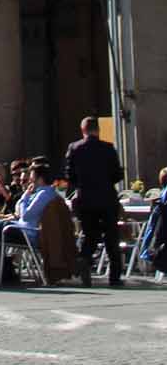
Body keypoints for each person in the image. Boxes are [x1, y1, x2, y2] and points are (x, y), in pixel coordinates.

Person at [65, 115, 124, 286]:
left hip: (86, 198)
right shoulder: (108, 148)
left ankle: (84, 258)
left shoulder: (74, 148)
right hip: (107, 197)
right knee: (111, 236)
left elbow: (70, 175)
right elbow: (117, 174)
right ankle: (115, 276)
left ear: (83, 130)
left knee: (90, 234)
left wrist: (81, 186)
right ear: (98, 130)